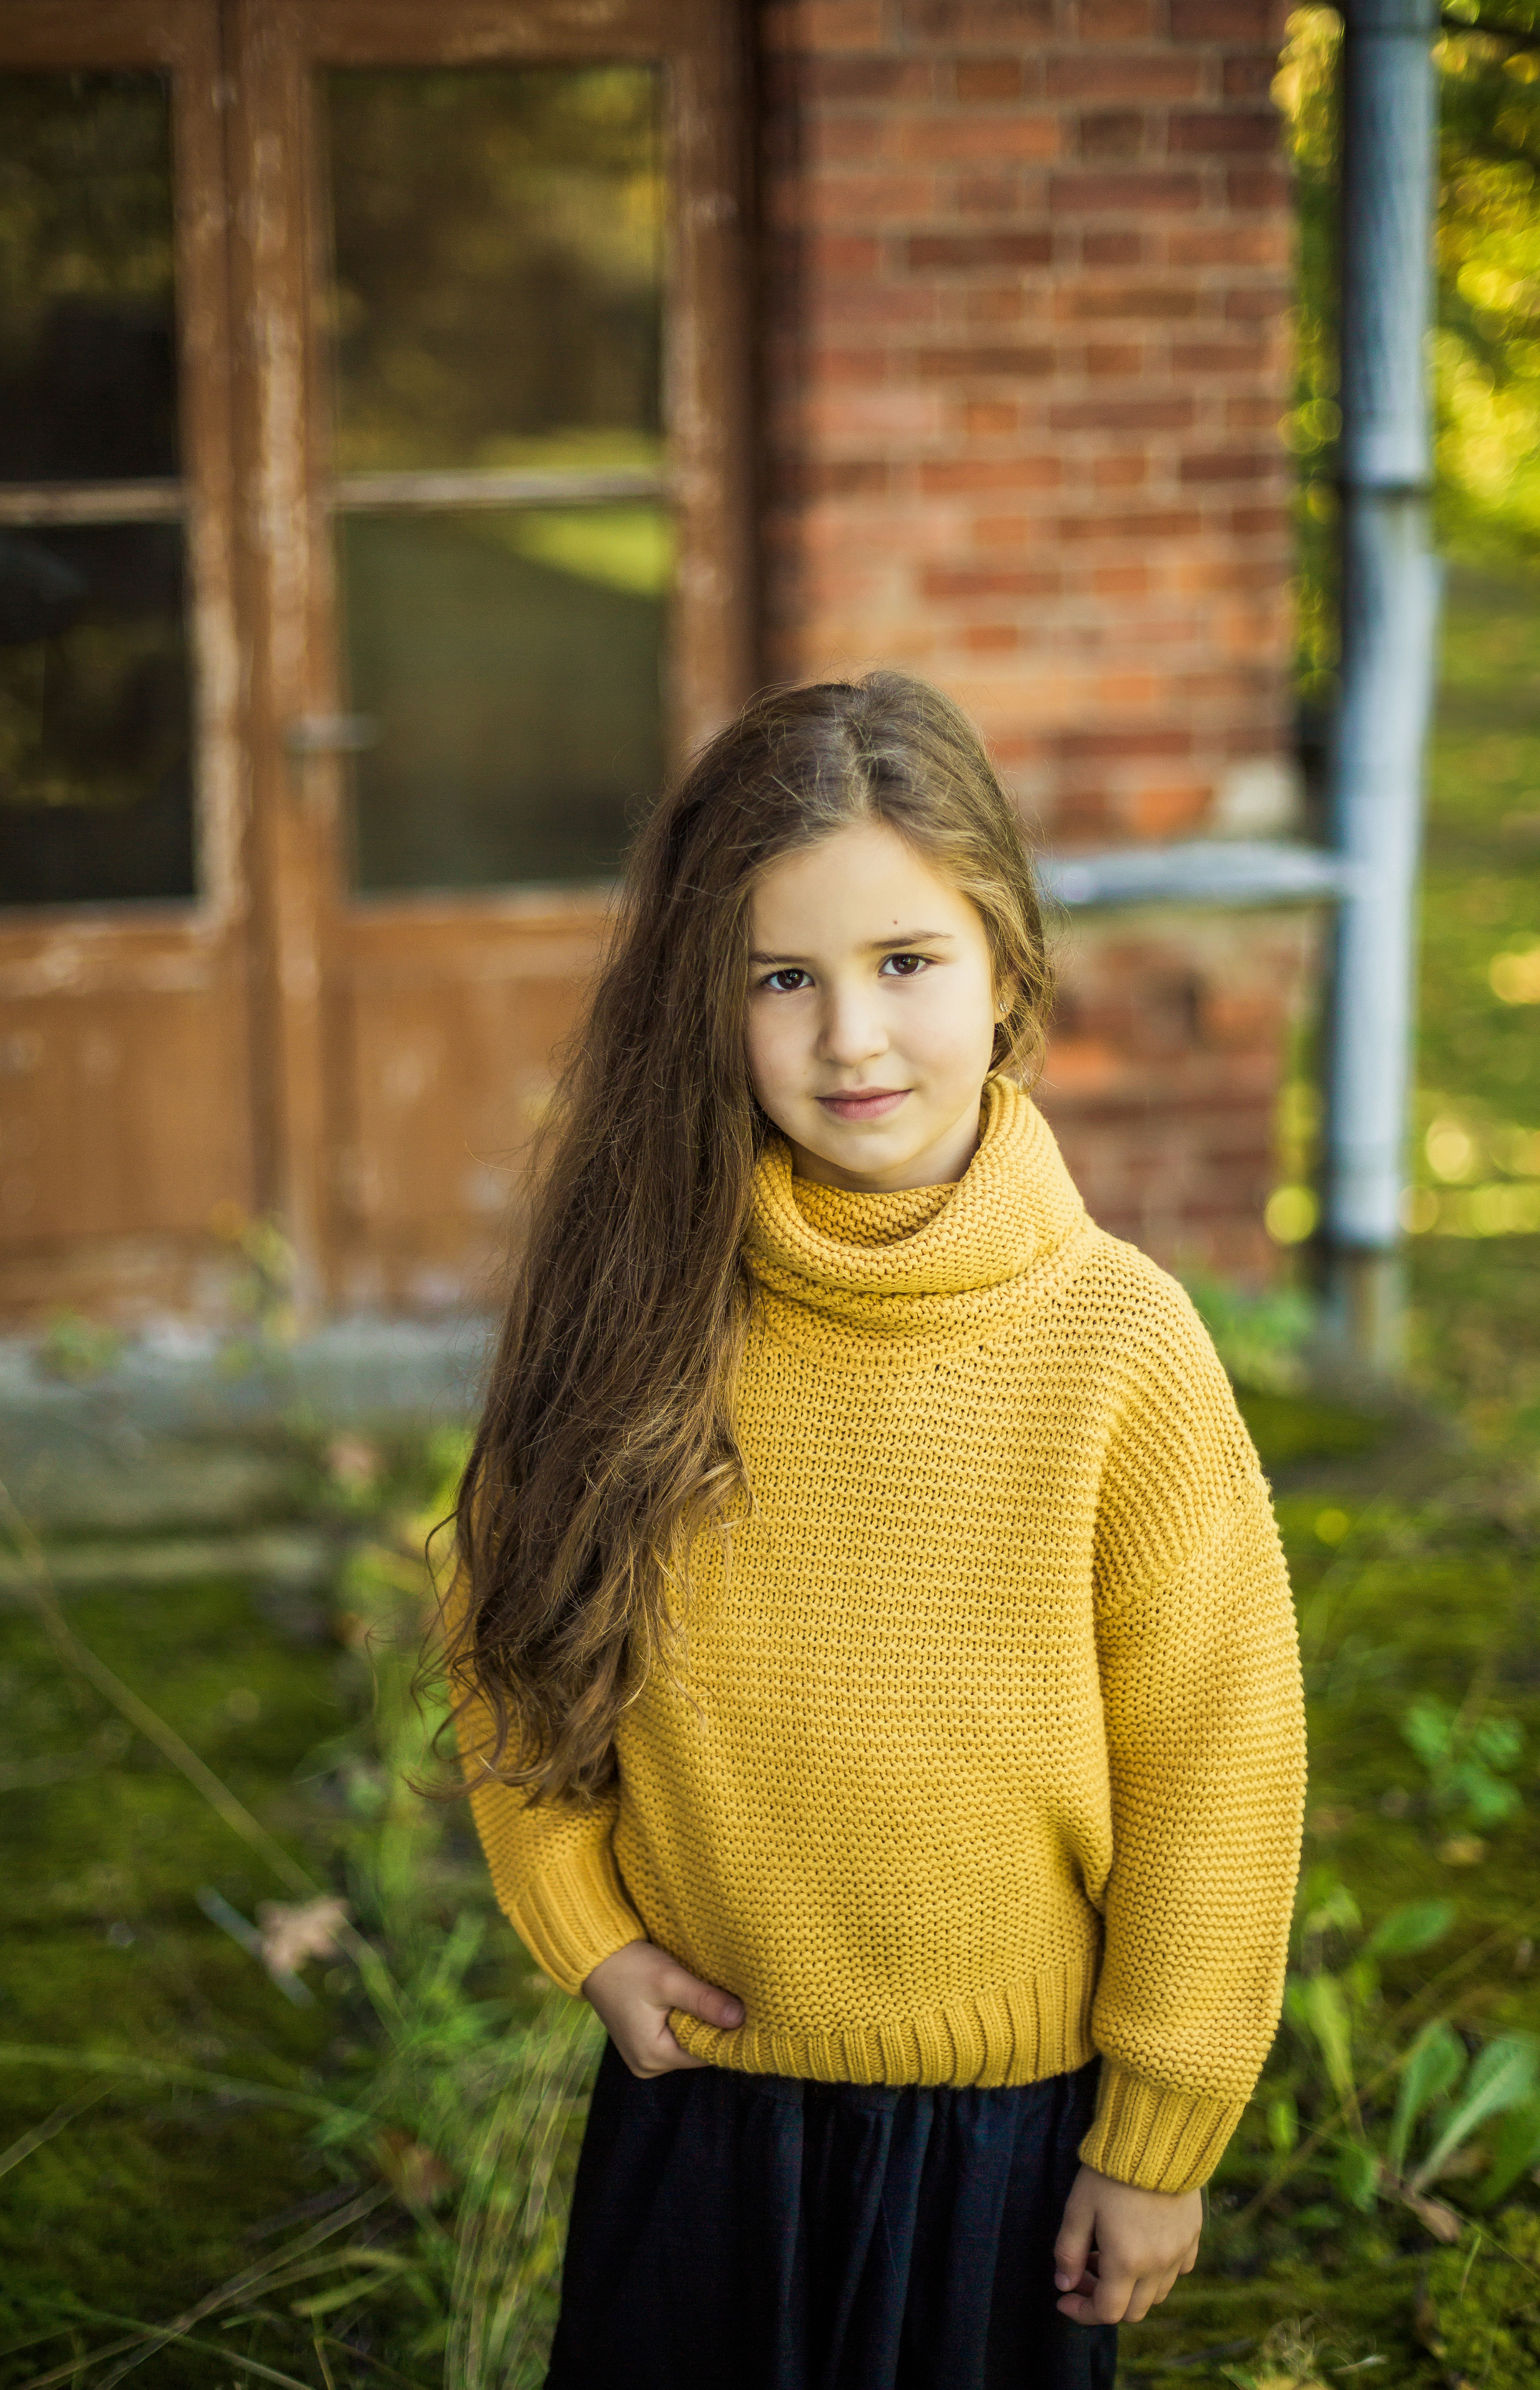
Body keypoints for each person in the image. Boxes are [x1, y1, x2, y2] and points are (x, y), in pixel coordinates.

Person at [445, 672, 1307, 2390]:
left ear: (1005, 972)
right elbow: (510, 1613)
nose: (852, 1039)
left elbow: (1222, 1760)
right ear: (712, 1003)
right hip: (705, 2102)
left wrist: (1159, 2132)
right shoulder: (644, 1303)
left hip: (1009, 2138)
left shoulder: (1117, 1349)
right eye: (784, 980)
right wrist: (582, 1923)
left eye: (906, 964)